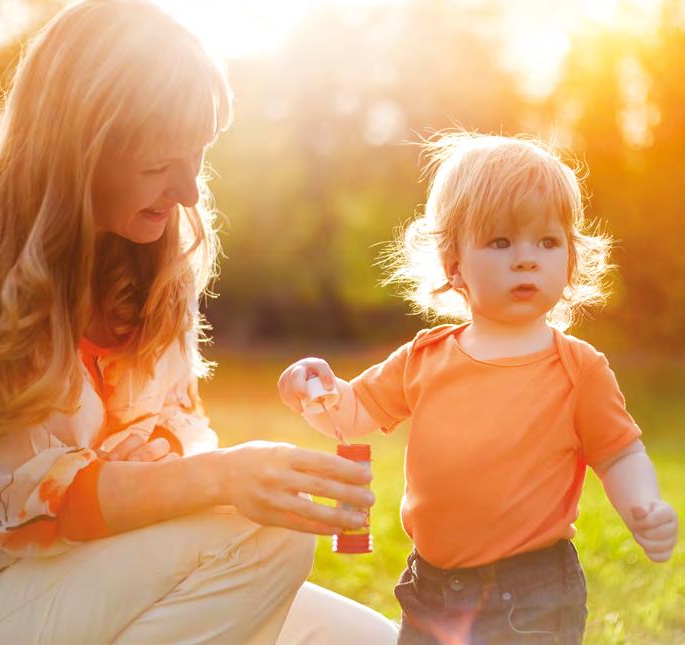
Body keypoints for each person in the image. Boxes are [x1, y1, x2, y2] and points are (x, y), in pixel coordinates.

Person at [0, 1, 399, 642]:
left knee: (381, 641)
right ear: (77, 146)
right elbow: (29, 506)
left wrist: (215, 474)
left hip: (104, 575)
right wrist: (221, 477)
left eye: (197, 154)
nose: (189, 189)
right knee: (265, 541)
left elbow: (173, 441)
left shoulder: (153, 263)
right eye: (159, 164)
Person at [278, 132, 679, 644]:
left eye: (547, 241)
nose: (527, 258)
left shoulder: (578, 369)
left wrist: (644, 506)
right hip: (431, 588)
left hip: (531, 594)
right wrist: (319, 391)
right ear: (454, 264)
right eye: (501, 241)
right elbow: (353, 412)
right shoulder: (425, 358)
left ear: (571, 258)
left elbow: (620, 453)